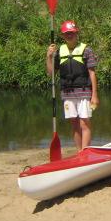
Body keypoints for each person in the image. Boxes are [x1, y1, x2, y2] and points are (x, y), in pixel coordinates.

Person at [46, 20, 99, 150]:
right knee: (74, 125)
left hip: (84, 92)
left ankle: (85, 152)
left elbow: (92, 73)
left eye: (72, 33)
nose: (69, 36)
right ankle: (79, 151)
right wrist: (49, 57)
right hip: (67, 93)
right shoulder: (59, 52)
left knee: (84, 124)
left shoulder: (86, 50)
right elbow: (50, 73)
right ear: (63, 36)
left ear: (76, 33)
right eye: (66, 34)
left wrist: (94, 95)